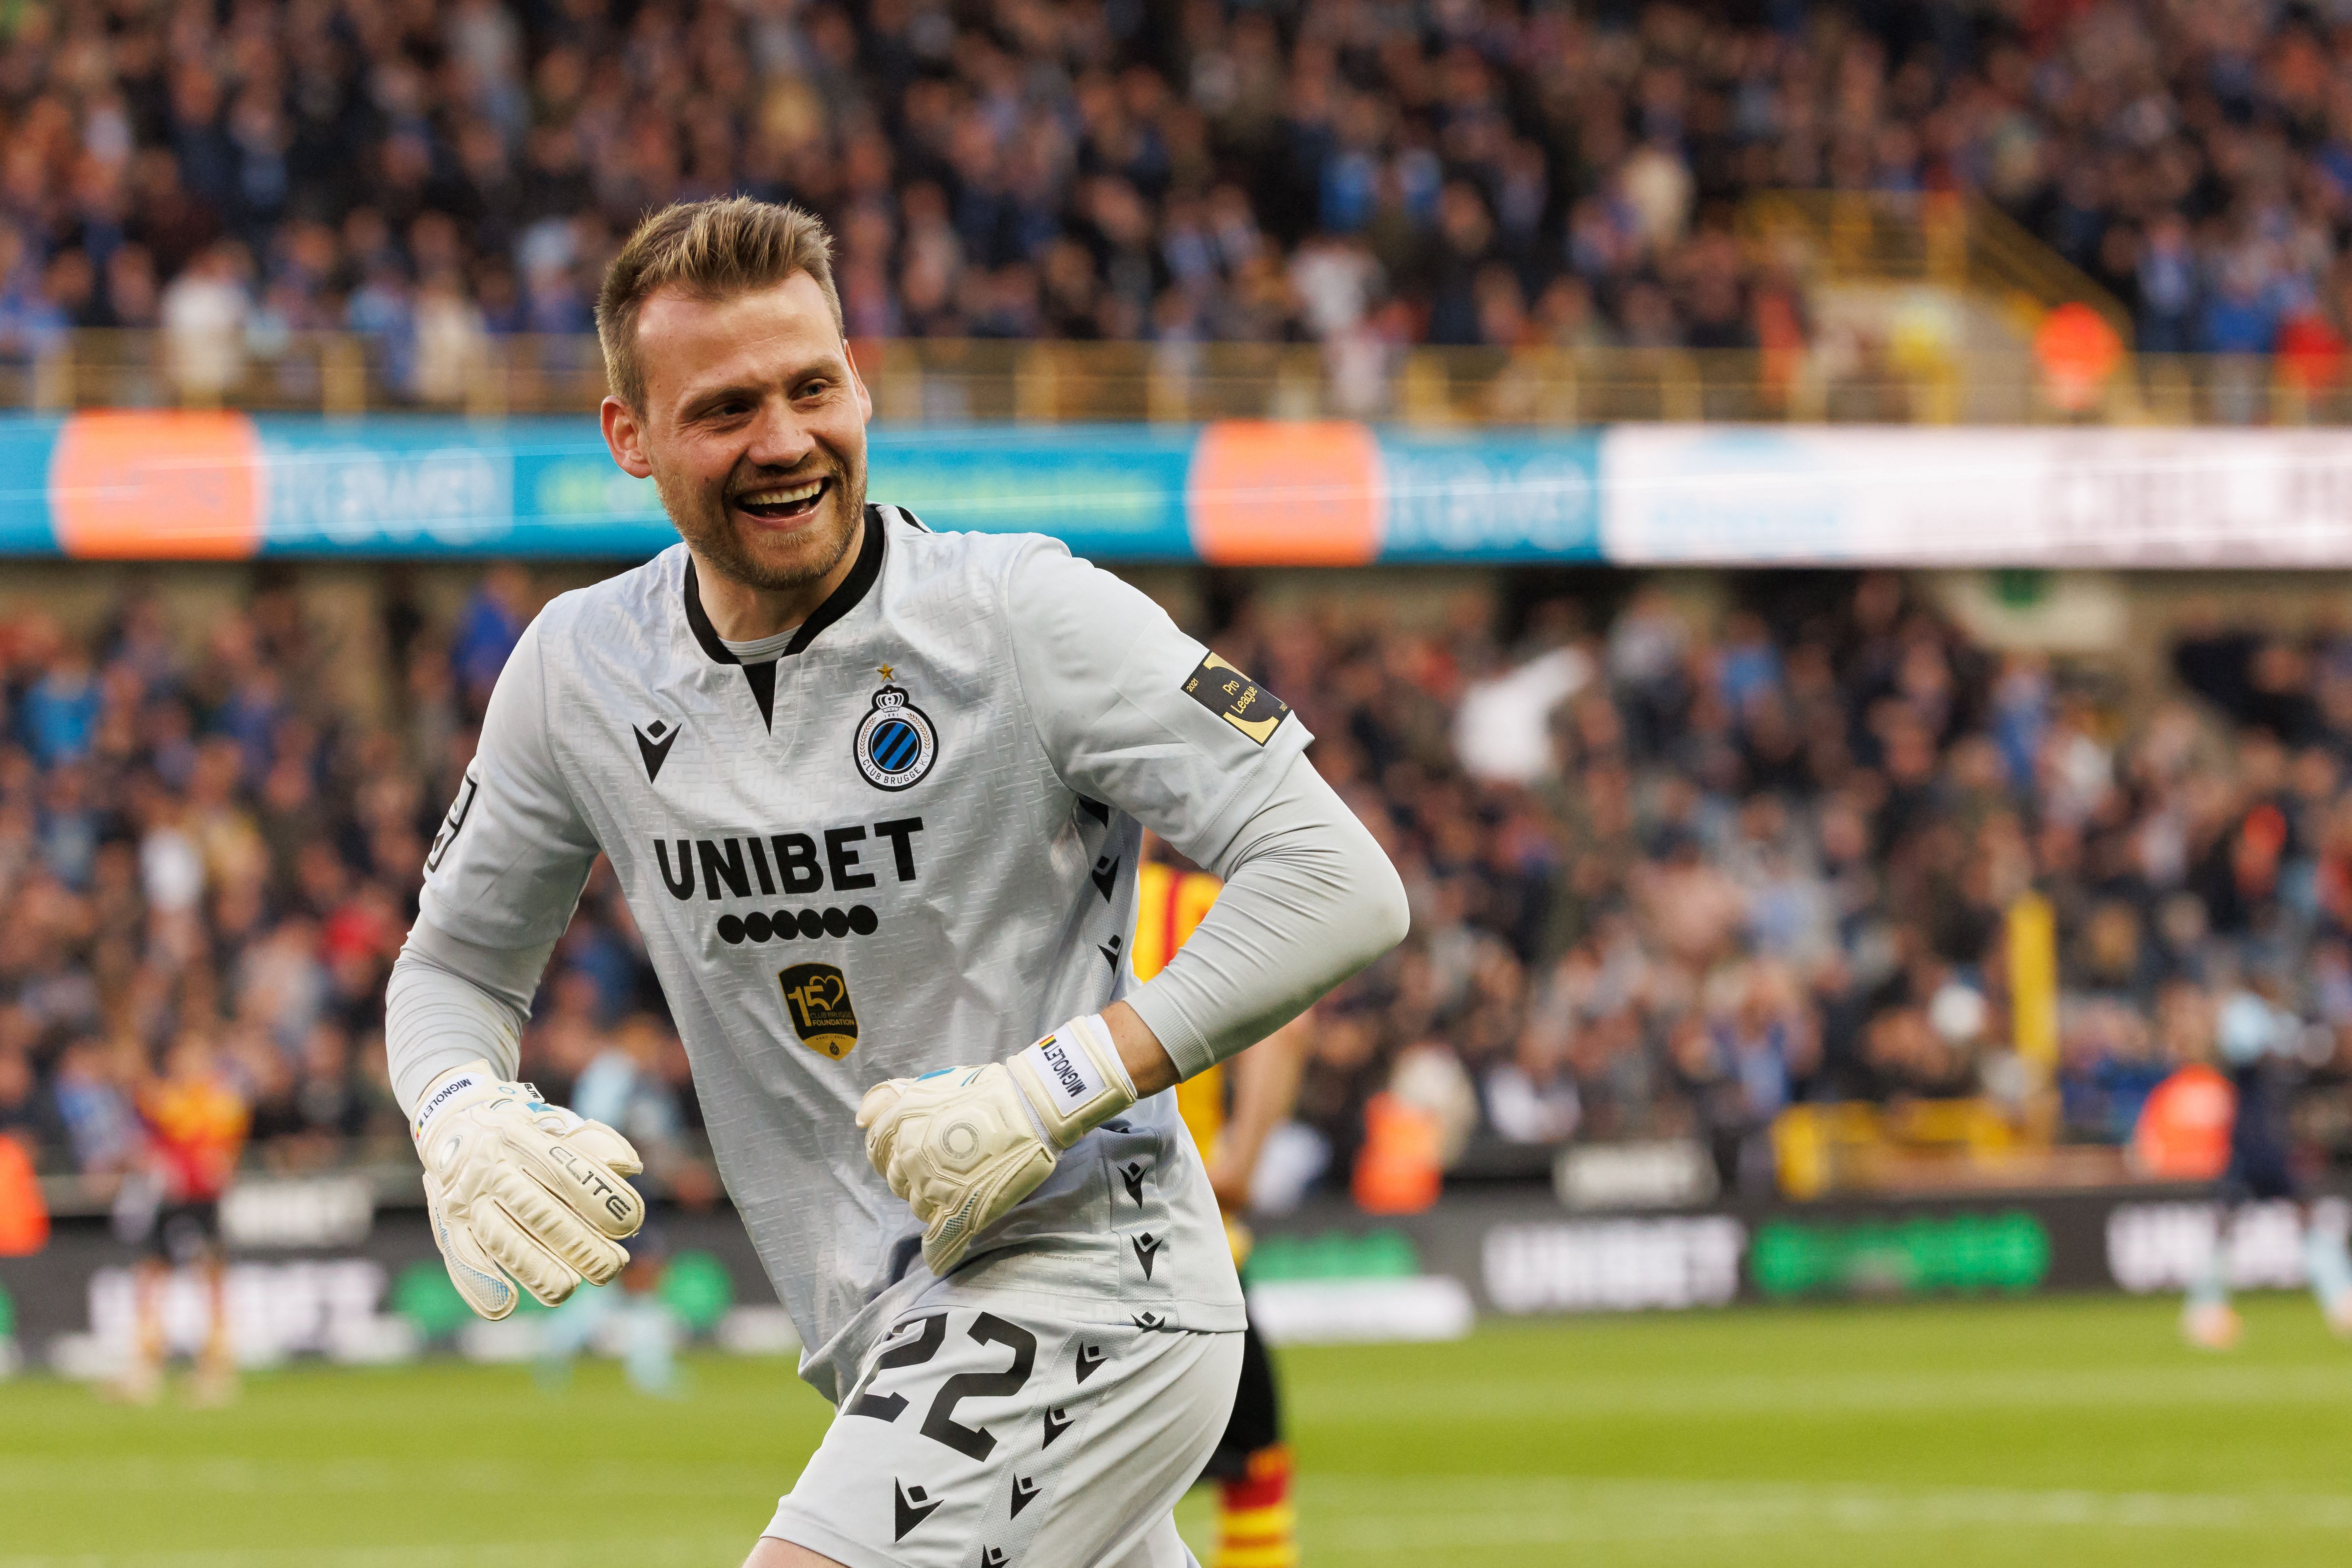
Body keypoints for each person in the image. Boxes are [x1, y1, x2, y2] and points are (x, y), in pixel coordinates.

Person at [383, 196, 1407, 1568]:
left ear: (858, 382)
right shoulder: (577, 671)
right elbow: (453, 966)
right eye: (725, 409)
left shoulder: (1022, 616)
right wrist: (454, 1108)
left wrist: (1047, 1086)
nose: (783, 440)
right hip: (873, 1329)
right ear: (628, 436)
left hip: (1093, 1280)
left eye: (811, 388)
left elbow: (1337, 878)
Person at [1130, 850, 1310, 1568]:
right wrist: (1239, 1162)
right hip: (1186, 1233)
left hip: (1036, 1239)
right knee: (1253, 1465)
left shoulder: (1011, 902)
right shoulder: (1189, 906)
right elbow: (1286, 1024)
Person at [2179, 981, 2352, 1349]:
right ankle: (2204, 1308)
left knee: (2282, 1219)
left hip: (2265, 1144)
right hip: (2252, 1146)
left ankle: (2340, 1298)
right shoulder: (2248, 1021)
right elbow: (2246, 1047)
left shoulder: (2271, 1033)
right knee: (2231, 1224)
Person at [113, 1033, 249, 1404]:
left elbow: (217, 1149)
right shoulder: (176, 1098)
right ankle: (147, 1363)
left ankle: (216, 1367)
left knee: (212, 1275)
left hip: (203, 1200)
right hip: (172, 1199)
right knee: (152, 1272)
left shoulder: (219, 1102)